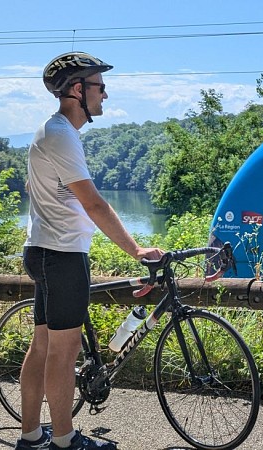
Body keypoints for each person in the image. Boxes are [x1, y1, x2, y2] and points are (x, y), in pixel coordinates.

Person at [16, 52, 164, 450]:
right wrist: (136, 250)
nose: (106, 95)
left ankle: (30, 435)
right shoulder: (62, 135)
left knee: (43, 345)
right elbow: (94, 203)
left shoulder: (52, 132)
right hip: (62, 255)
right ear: (78, 90)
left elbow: (38, 191)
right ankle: (64, 440)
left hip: (45, 250)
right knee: (64, 353)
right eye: (99, 86)